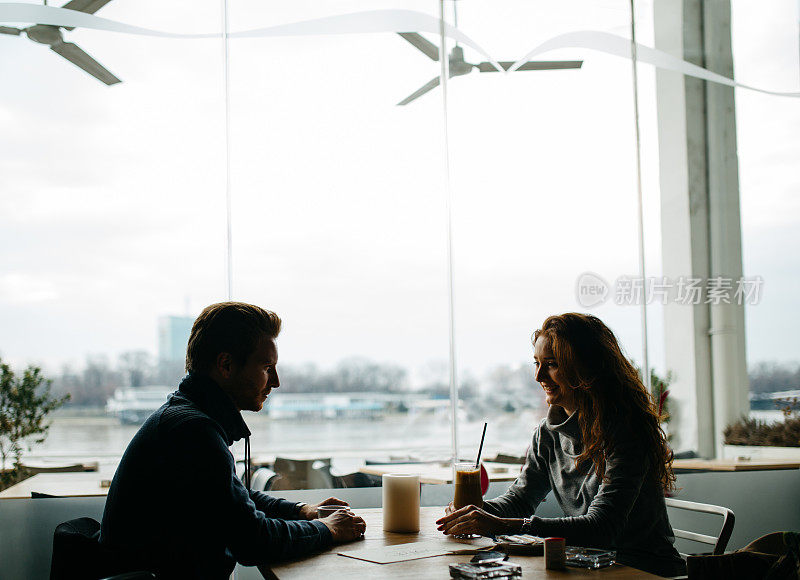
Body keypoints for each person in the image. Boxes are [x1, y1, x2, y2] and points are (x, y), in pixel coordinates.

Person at [101, 302, 366, 578]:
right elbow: (253, 541)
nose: (275, 382)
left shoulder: (185, 417)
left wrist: (303, 511)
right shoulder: (193, 431)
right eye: (267, 367)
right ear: (226, 365)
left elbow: (234, 498)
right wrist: (328, 529)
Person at [436, 313, 686, 577]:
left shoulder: (627, 432)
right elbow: (520, 500)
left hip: (643, 570)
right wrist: (476, 513)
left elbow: (601, 528)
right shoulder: (547, 434)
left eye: (552, 364)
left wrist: (501, 525)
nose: (539, 376)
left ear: (587, 368)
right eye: (537, 363)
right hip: (588, 566)